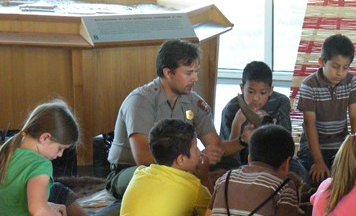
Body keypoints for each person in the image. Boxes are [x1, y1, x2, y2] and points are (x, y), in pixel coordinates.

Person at [107, 38, 250, 199]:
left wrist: (243, 140)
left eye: (196, 72)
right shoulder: (141, 101)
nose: (195, 78)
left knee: (230, 170)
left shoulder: (193, 101)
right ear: (168, 73)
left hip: (178, 167)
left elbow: (216, 148)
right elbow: (143, 157)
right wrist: (192, 161)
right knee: (158, 178)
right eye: (189, 73)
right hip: (130, 170)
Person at [0, 100, 119, 216]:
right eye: (60, 148)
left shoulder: (6, 154)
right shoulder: (40, 165)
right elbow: (37, 210)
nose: (60, 155)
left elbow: (11, 200)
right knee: (116, 212)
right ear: (45, 137)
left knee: (57, 190)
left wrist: (49, 206)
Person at [220, 60, 308, 181]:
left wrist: (269, 123)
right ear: (241, 88)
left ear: (270, 91)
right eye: (250, 92)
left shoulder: (280, 103)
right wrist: (237, 123)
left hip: (275, 160)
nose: (256, 98)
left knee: (299, 173)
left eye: (262, 93)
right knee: (223, 170)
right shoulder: (231, 109)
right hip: (243, 162)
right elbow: (228, 154)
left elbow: (287, 147)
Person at [296, 33, 356, 184]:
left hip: (340, 145)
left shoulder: (351, 82)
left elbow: (355, 118)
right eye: (335, 66)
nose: (340, 73)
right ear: (322, 62)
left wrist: (354, 152)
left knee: (348, 178)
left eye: (345, 68)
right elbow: (309, 124)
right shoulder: (309, 85)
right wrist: (318, 161)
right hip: (313, 148)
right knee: (315, 178)